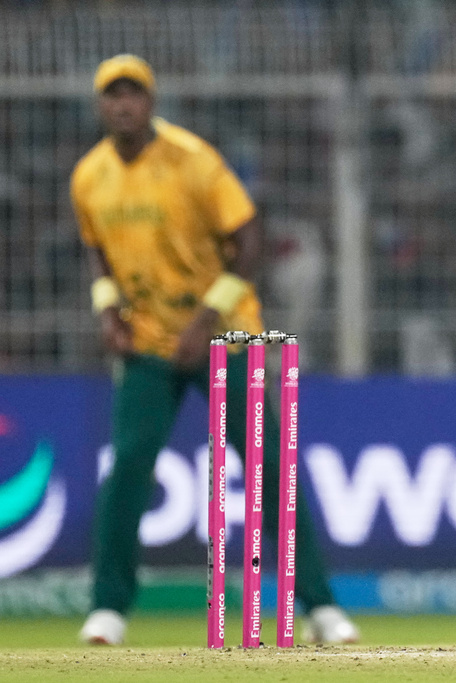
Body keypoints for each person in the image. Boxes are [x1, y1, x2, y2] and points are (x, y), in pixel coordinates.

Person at [71, 55, 358, 646]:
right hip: (150, 344)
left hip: (225, 338)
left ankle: (321, 607)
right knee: (127, 468)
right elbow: (96, 250)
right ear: (101, 105)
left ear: (149, 102)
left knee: (267, 469)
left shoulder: (192, 161)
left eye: (133, 94)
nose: (123, 105)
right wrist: (106, 309)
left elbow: (248, 240)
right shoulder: (88, 176)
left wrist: (204, 319)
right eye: (112, 96)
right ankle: (108, 609)